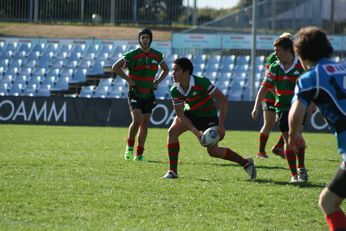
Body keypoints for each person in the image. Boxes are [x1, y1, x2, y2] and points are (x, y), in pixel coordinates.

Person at [288, 26, 346, 231]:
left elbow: (295, 112)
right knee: (328, 200)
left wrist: (295, 135)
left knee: (328, 203)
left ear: (301, 56)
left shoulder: (311, 77)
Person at [162, 57, 256, 180]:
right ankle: (172, 171)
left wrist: (221, 125)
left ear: (186, 72)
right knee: (172, 132)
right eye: (172, 70)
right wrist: (196, 132)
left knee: (213, 152)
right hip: (191, 115)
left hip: (209, 117)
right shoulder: (175, 89)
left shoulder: (202, 83)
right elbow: (180, 115)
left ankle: (246, 162)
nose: (172, 73)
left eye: (176, 70)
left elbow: (223, 100)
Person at [251, 36, 306, 183]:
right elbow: (264, 87)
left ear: (288, 51)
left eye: (278, 51)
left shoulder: (300, 66)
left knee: (296, 138)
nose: (276, 54)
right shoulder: (275, 66)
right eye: (275, 51)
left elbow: (310, 87)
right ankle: (294, 176)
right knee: (289, 141)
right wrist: (256, 106)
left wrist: (312, 104)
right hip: (281, 107)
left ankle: (301, 168)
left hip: (298, 106)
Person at [112, 28, 169, 161]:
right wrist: (129, 79)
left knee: (144, 124)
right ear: (139, 40)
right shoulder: (132, 55)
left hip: (148, 94)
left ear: (150, 40)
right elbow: (116, 67)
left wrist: (157, 82)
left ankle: (139, 154)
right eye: (142, 38)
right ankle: (129, 149)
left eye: (147, 38)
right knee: (137, 120)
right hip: (135, 92)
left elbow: (166, 70)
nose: (144, 40)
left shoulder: (157, 55)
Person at [255, 33, 293, 159]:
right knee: (269, 123)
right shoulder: (273, 58)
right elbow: (269, 81)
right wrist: (277, 95)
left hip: (282, 97)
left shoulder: (293, 58)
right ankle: (261, 152)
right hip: (271, 96)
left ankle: (278, 146)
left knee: (289, 124)